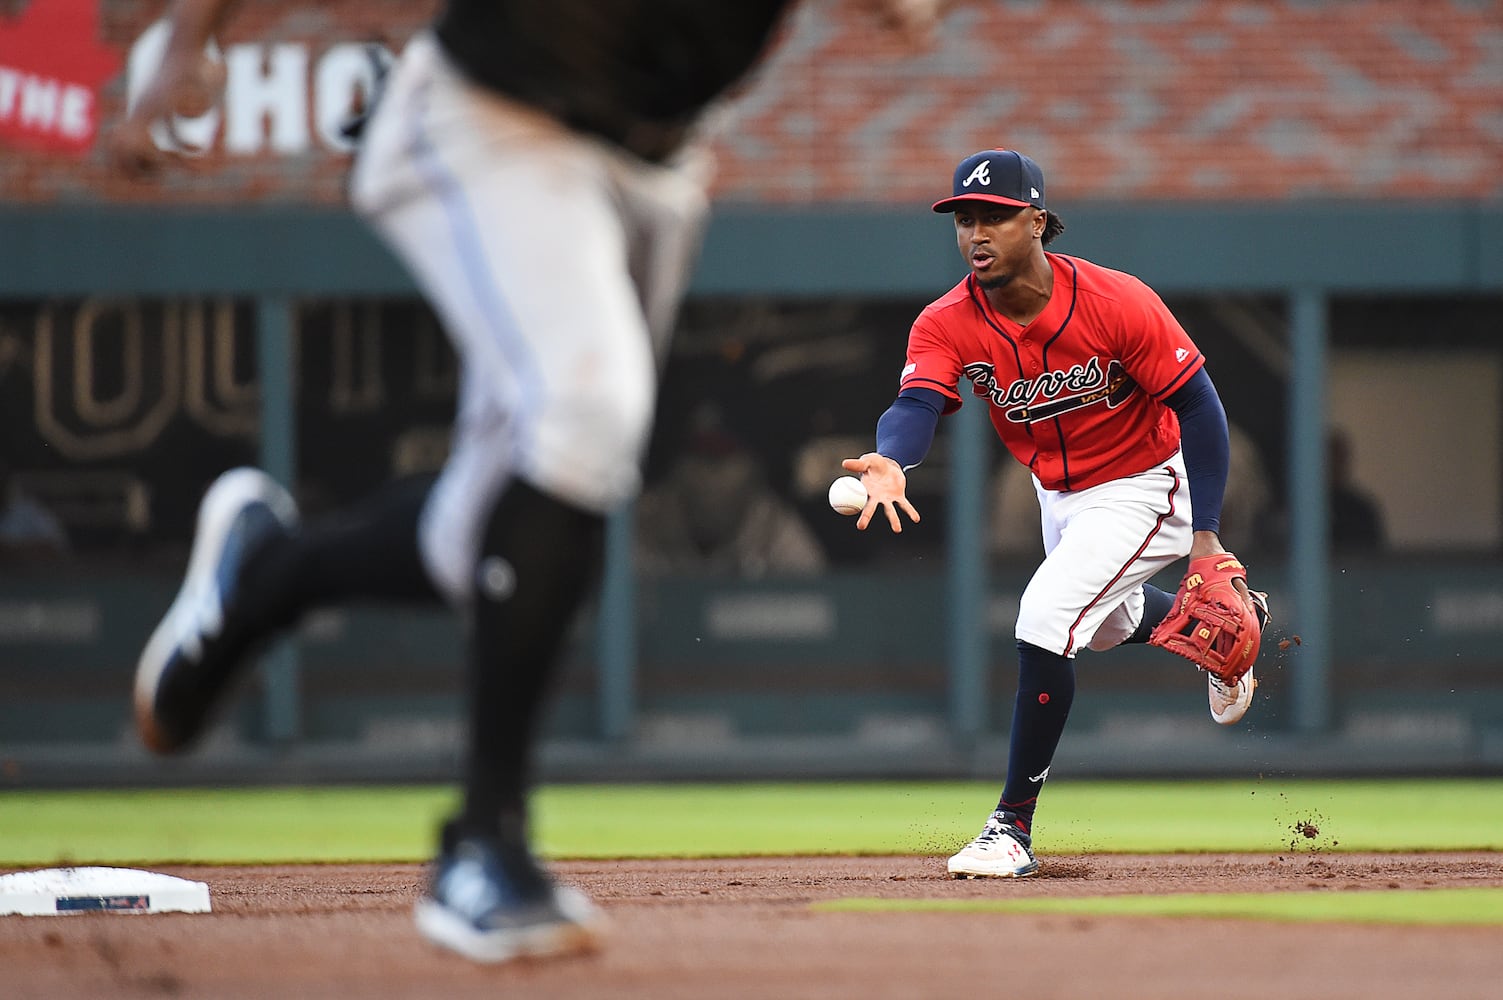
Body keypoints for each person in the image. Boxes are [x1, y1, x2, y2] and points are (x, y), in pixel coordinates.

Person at [110, 0, 943, 966]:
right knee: (586, 416)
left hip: (655, 165)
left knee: (503, 517)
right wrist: (185, 39)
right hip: (491, 119)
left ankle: (267, 575)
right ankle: (484, 846)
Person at [841, 149, 1269, 879]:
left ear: (1036, 221)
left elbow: (1198, 405)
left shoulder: (1115, 300)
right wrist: (891, 457)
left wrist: (1204, 538)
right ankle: (1223, 627)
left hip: (1143, 480)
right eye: (964, 219)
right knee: (1099, 628)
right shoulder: (946, 322)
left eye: (996, 218)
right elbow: (916, 404)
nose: (977, 233)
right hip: (1058, 494)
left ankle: (1009, 828)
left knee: (1043, 616)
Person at [636, 409, 826, 577]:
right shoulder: (645, 520)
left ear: (754, 468)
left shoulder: (773, 528)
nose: (708, 477)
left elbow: (813, 604)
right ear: (675, 468)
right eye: (698, 457)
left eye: (721, 460)